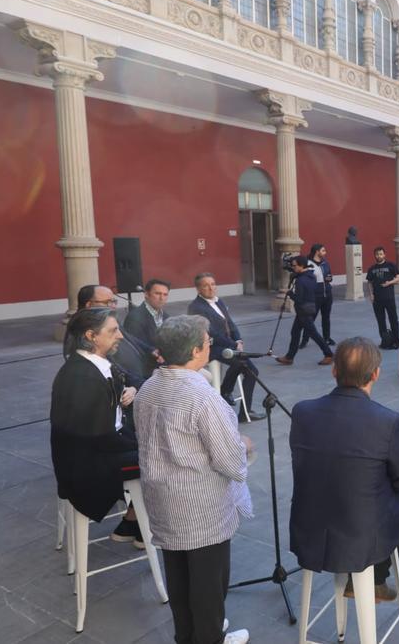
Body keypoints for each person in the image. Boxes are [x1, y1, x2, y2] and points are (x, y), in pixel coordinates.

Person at [135, 315, 253, 644]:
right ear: (196, 350)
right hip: (200, 508)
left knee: (179, 578)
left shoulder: (148, 387)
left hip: (162, 500)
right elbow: (230, 463)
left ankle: (189, 636)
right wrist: (242, 445)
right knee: (208, 584)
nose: (210, 346)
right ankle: (210, 637)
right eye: (208, 341)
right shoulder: (203, 398)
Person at [289, 338, 399, 601]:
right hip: (358, 536)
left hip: (309, 527)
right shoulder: (387, 421)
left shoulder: (302, 411)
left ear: (334, 371)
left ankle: (374, 573)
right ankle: (377, 572)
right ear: (376, 374)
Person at [50, 308, 143, 548]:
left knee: (157, 446)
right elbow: (100, 438)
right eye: (113, 331)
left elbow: (131, 379)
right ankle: (146, 522)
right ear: (92, 336)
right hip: (87, 469)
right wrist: (146, 445)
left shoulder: (91, 363)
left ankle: (135, 520)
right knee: (164, 458)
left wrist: (132, 389)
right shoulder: (83, 378)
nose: (120, 336)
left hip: (93, 452)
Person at [188, 273, 263, 422]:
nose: (211, 288)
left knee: (246, 365)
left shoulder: (219, 301)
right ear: (198, 289)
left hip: (228, 344)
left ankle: (228, 393)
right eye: (206, 285)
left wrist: (238, 339)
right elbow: (211, 333)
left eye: (213, 284)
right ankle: (236, 403)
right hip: (212, 347)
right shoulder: (196, 307)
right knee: (249, 368)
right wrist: (233, 345)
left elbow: (230, 323)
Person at [80, 284, 154, 388]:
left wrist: (152, 350)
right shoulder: (87, 334)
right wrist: (143, 385)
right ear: (89, 305)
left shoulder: (110, 319)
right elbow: (114, 368)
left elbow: (130, 338)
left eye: (114, 301)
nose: (114, 306)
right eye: (108, 302)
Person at [276, 256, 335, 366]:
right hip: (309, 307)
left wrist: (290, 294)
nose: (292, 267)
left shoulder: (300, 281)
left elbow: (298, 299)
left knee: (314, 334)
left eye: (294, 265)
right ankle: (289, 357)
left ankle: (329, 354)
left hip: (303, 310)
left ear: (301, 266)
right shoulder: (311, 276)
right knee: (295, 332)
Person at [298, 244, 335, 348]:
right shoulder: (309, 264)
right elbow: (306, 279)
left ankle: (327, 338)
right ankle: (304, 340)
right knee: (310, 319)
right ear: (317, 252)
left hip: (327, 294)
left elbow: (329, 276)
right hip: (315, 295)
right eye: (323, 250)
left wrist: (329, 278)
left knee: (326, 317)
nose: (325, 252)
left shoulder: (325, 263)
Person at [366, 246, 399, 349]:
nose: (379, 256)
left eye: (381, 254)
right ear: (375, 255)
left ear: (384, 254)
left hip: (389, 298)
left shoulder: (391, 265)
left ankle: (396, 341)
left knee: (393, 320)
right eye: (377, 254)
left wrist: (389, 283)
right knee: (380, 321)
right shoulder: (372, 269)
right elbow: (369, 282)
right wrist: (371, 294)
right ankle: (385, 341)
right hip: (377, 299)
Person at [123, 278, 170, 355]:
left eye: (165, 294)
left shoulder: (166, 316)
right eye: (157, 293)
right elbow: (135, 347)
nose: (162, 298)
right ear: (146, 294)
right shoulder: (135, 318)